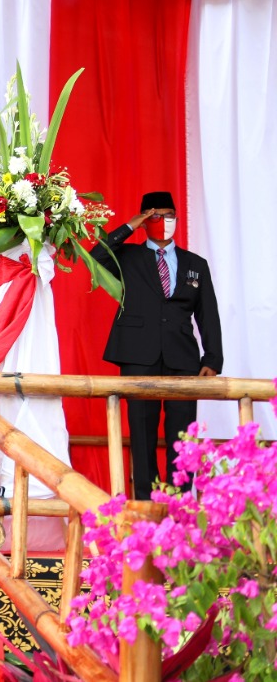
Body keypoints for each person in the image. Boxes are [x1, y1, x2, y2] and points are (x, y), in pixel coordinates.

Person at [90, 191, 222, 501]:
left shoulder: (195, 264)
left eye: (169, 215)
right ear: (145, 220)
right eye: (155, 216)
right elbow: (96, 256)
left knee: (182, 436)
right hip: (138, 355)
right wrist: (130, 226)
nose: (164, 222)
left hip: (184, 358)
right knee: (142, 432)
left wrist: (213, 358)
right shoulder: (129, 257)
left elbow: (208, 313)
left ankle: (182, 504)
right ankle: (147, 506)